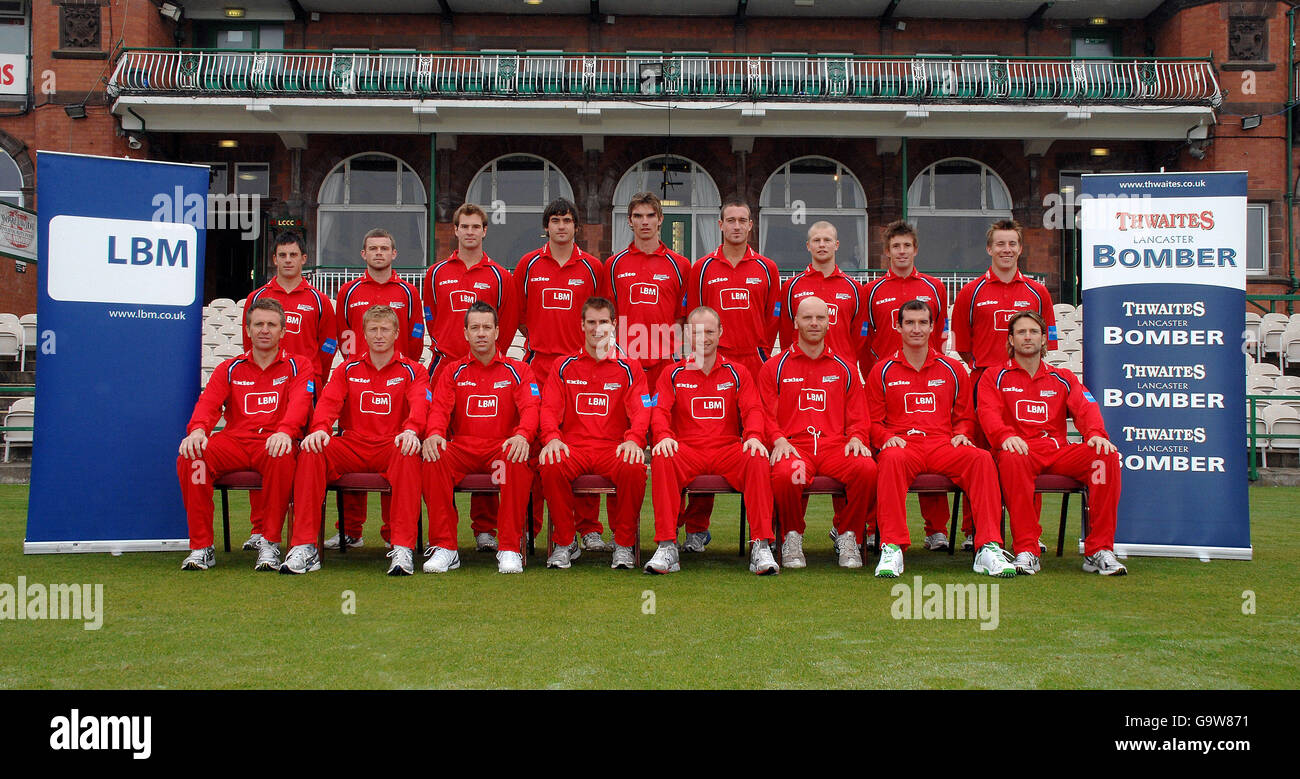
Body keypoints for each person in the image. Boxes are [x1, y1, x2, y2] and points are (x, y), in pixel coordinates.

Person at [866, 300, 1016, 579]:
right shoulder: (882, 370)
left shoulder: (952, 369)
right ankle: (892, 547)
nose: (916, 329)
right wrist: (886, 437)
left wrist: (961, 434)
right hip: (903, 444)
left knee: (981, 459)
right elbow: (873, 421)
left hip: (942, 443)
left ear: (933, 326)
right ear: (897, 326)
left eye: (923, 322)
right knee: (889, 459)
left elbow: (965, 417)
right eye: (909, 323)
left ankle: (988, 547)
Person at [280, 305, 427, 576]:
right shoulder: (347, 369)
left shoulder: (414, 370)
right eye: (373, 329)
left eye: (385, 329)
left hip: (392, 444)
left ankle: (402, 547)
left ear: (396, 333)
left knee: (409, 453)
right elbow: (328, 403)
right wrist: (321, 428)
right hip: (353, 444)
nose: (379, 335)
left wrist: (412, 430)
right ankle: (305, 545)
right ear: (364, 334)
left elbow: (419, 404)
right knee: (312, 451)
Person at [978, 311, 1127, 575]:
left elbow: (1086, 407)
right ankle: (1027, 550)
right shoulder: (995, 376)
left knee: (1104, 458)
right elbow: (987, 413)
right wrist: (1005, 436)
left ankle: (1099, 550)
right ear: (1011, 340)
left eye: (1033, 332)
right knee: (1012, 457)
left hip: (1057, 452)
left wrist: (1095, 434)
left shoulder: (1063, 377)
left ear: (1044, 339)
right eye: (1021, 332)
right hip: (1019, 452)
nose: (1027, 337)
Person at [178, 298, 313, 571]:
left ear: (282, 331)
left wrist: (286, 432)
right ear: (248, 330)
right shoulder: (230, 368)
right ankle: (201, 546)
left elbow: (300, 403)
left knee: (282, 454)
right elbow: (208, 404)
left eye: (271, 325)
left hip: (273, 442)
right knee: (192, 458)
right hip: (234, 442)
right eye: (258, 324)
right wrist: (197, 430)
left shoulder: (298, 365)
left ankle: (270, 542)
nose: (265, 330)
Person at [644, 306, 779, 576]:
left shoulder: (737, 372)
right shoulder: (672, 373)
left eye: (709, 331)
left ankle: (761, 545)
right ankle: (667, 545)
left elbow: (753, 409)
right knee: (662, 456)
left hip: (726, 449)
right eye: (696, 331)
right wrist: (663, 436)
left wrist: (753, 436)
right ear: (686, 335)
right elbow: (659, 411)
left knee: (756, 456)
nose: (703, 337)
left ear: (720, 333)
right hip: (687, 450)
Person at [951, 219, 1058, 552]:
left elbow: (1047, 343)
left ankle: (1029, 532)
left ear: (1021, 249)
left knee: (1028, 454)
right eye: (1000, 244)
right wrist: (988, 370)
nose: (1006, 250)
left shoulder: (1038, 292)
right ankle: (974, 529)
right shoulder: (971, 291)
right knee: (979, 458)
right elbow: (963, 343)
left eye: (1012, 244)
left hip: (1025, 385)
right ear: (989, 248)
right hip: (983, 381)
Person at [422, 203, 519, 554]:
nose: (470, 232)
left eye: (476, 226)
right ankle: (442, 539)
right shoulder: (435, 273)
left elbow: (505, 324)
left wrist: (485, 359)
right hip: (446, 367)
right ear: (456, 230)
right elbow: (430, 314)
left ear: (484, 231)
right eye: (464, 226)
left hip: (485, 368)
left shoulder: (499, 276)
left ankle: (484, 528)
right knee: (440, 448)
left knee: (487, 436)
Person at [683, 200, 781, 550]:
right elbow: (694, 315)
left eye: (743, 220)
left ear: (751, 225)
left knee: (759, 444)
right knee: (705, 437)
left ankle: (767, 534)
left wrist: (756, 351)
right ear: (720, 224)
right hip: (711, 363)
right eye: (731, 220)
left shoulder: (767, 268)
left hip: (753, 364)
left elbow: (773, 318)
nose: (737, 226)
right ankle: (696, 528)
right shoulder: (703, 268)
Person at [515, 198, 611, 551]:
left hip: (581, 368)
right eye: (554, 220)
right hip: (539, 367)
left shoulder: (592, 267)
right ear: (546, 226)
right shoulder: (528, 264)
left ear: (576, 227)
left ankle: (589, 529)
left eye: (567, 220)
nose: (561, 226)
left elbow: (599, 314)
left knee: (585, 443)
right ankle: (536, 528)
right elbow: (520, 315)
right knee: (541, 448)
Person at [236, 231, 337, 553]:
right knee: (261, 447)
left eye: (294, 255)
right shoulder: (258, 297)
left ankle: (302, 531)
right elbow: (247, 341)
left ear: (304, 259)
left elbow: (328, 343)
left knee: (305, 457)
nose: (288, 260)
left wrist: (312, 376)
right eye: (282, 255)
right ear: (274, 259)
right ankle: (259, 528)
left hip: (306, 387)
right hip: (267, 385)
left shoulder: (319, 300)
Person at [759, 296, 876, 570]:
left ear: (828, 322)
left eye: (820, 318)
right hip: (795, 447)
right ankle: (791, 535)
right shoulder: (774, 367)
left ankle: (849, 535)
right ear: (796, 322)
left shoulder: (844, 367)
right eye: (808, 318)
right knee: (789, 474)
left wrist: (858, 437)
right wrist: (776, 438)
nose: (814, 323)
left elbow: (859, 414)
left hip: (835, 447)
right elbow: (764, 414)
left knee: (866, 470)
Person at [421, 301, 538, 575]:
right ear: (465, 333)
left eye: (487, 327)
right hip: (463, 451)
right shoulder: (453, 371)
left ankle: (509, 547)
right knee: (433, 455)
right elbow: (439, 409)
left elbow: (531, 409)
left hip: (500, 451)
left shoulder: (518, 370)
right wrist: (435, 434)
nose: (481, 333)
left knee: (517, 458)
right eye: (475, 328)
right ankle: (445, 548)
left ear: (497, 331)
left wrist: (522, 435)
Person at [538, 297, 651, 570]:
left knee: (634, 466)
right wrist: (552, 437)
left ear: (614, 325)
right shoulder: (563, 366)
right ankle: (565, 543)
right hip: (573, 448)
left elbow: (642, 409)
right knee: (550, 462)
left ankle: (623, 544)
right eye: (591, 322)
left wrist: (635, 439)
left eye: (603, 322)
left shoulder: (629, 366)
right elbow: (549, 408)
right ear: (582, 325)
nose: (597, 328)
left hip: (612, 448)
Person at [860, 220, 953, 551]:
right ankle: (873, 526)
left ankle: (936, 529)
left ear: (915, 249)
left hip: (926, 378)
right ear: (886, 252)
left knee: (934, 443)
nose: (901, 252)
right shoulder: (870, 291)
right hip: (885, 382)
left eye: (907, 246)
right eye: (895, 246)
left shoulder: (934, 288)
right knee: (880, 455)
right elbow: (864, 340)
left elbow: (938, 335)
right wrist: (875, 376)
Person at [329, 228, 425, 551]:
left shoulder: (409, 291)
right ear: (364, 254)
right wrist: (355, 366)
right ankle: (350, 530)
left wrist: (402, 367)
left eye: (385, 248)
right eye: (373, 248)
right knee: (351, 443)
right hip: (357, 378)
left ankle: (392, 534)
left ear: (394, 253)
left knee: (399, 452)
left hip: (397, 377)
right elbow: (343, 330)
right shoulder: (348, 291)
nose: (379, 253)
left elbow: (414, 330)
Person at [779, 221, 867, 552]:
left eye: (827, 240)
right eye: (815, 240)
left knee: (848, 453)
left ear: (837, 244)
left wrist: (844, 363)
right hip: (801, 372)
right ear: (808, 246)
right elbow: (786, 327)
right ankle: (791, 535)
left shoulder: (853, 288)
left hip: (841, 380)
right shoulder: (792, 286)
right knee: (795, 455)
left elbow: (859, 332)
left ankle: (844, 532)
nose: (821, 245)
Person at [601, 191, 691, 395]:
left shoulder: (681, 266)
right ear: (630, 221)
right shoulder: (613, 265)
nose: (645, 222)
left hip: (666, 362)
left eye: (650, 216)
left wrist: (669, 351)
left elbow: (683, 317)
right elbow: (607, 318)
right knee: (628, 424)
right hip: (625, 361)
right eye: (638, 216)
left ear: (660, 220)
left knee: (663, 423)